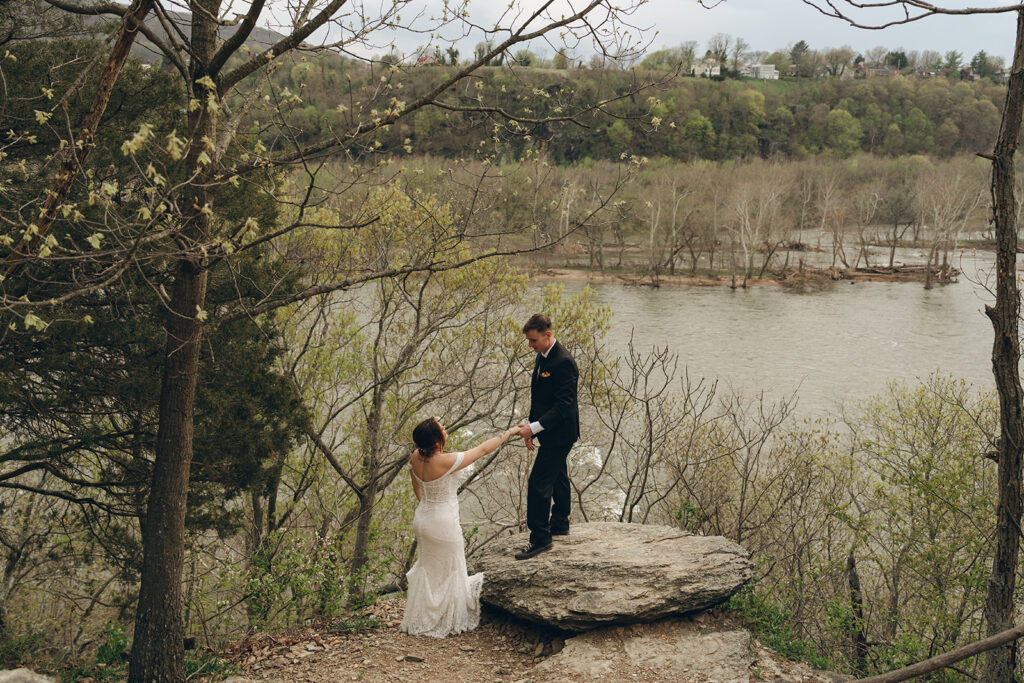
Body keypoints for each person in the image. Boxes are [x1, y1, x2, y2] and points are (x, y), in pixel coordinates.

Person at [400, 417, 517, 637]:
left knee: (429, 567)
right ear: (436, 440)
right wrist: (509, 432)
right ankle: (448, 618)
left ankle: (424, 614)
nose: (445, 429)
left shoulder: (415, 457)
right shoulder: (446, 460)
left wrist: (428, 506)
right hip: (443, 521)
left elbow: (416, 485)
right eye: (441, 428)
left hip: (422, 519)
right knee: (453, 567)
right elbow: (483, 449)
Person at [513, 313, 580, 560]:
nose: (530, 345)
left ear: (547, 334)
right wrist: (531, 427)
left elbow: (564, 405)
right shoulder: (542, 356)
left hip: (561, 433)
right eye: (529, 341)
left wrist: (535, 427)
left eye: (533, 340)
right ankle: (560, 523)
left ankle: (540, 539)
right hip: (548, 431)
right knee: (558, 475)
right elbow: (539, 398)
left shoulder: (563, 361)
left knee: (538, 483)